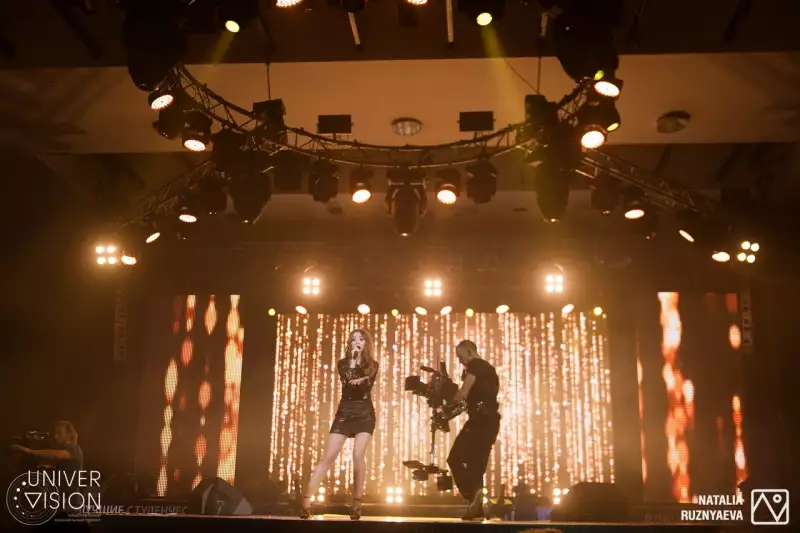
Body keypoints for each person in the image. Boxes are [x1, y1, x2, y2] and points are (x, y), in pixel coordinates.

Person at [300, 329, 378, 520]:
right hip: (344, 413)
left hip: (365, 413)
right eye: (353, 339)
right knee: (328, 457)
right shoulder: (342, 363)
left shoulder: (372, 365)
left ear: (366, 343)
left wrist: (362, 378)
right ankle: (305, 502)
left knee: (358, 455)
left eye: (361, 339)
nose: (357, 342)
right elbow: (350, 382)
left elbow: (365, 386)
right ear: (349, 344)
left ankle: (356, 504)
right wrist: (353, 362)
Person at [447, 340, 501, 520]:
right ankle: (476, 508)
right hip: (490, 422)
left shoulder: (476, 365)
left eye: (460, 356)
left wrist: (447, 407)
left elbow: (463, 392)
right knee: (476, 467)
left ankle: (471, 495)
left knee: (454, 458)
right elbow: (470, 400)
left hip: (480, 421)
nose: (460, 361)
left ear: (469, 351)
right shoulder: (489, 370)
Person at [11, 421, 84, 476]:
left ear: (69, 434)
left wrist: (30, 451)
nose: (55, 436)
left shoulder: (74, 448)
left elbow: (59, 454)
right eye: (55, 433)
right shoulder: (68, 449)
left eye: (59, 433)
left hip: (68, 492)